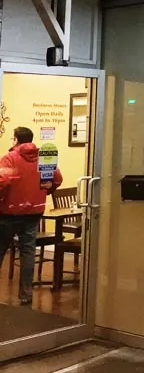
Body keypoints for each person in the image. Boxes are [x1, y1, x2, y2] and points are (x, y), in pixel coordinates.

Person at [0, 127, 63, 305]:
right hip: (34, 212)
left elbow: (1, 181)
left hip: (9, 213)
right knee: (28, 253)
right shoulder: (44, 157)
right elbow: (57, 178)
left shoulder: (9, 158)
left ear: (16, 140)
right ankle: (26, 295)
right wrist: (46, 190)